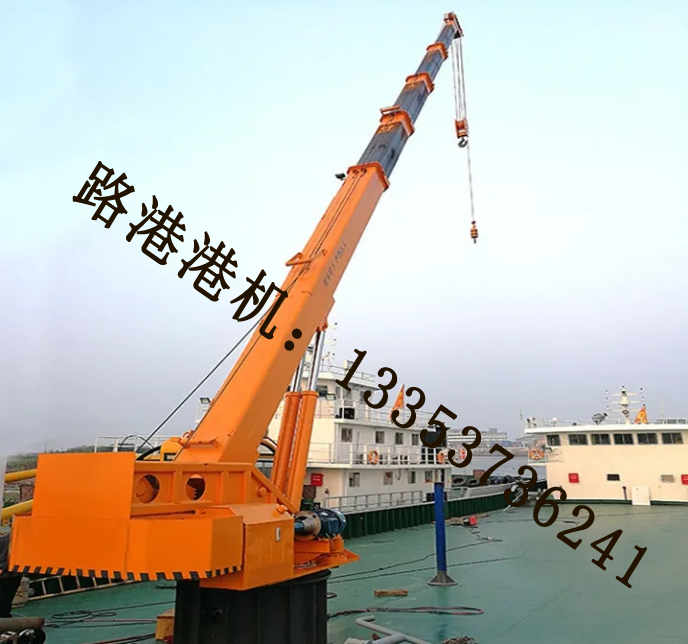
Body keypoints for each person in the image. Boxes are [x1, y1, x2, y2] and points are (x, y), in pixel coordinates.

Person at [0, 532, 22, 618]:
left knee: (4, 600)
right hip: (12, 574)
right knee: (5, 600)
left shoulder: (7, 540)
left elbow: (5, 560)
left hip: (8, 575)